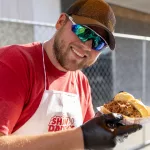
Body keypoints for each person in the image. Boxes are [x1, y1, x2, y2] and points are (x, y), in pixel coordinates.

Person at [0, 0, 142, 150]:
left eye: (98, 42)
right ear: (61, 22)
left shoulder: (81, 81)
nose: (87, 46)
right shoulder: (15, 62)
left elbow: (84, 140)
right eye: (83, 31)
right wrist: (82, 137)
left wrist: (103, 129)